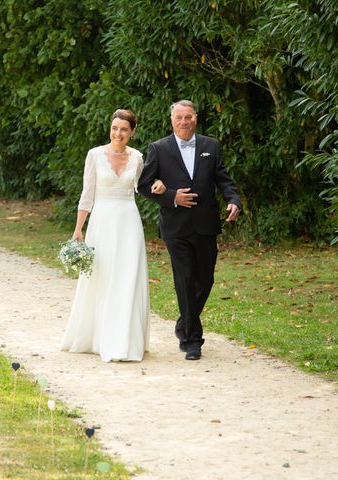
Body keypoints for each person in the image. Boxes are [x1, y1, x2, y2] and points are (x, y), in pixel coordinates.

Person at [137, 100, 242, 360]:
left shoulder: (210, 146)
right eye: (179, 118)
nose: (184, 122)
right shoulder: (158, 149)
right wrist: (172, 196)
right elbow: (144, 185)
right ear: (172, 121)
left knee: (205, 279)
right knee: (185, 279)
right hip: (176, 226)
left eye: (188, 117)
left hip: (206, 224)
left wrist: (233, 200)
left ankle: (184, 322)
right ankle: (192, 339)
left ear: (195, 118)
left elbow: (223, 179)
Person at [60, 109, 165, 362]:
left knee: (127, 277)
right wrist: (78, 229)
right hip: (102, 222)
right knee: (103, 277)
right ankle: (97, 336)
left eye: (124, 130)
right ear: (110, 128)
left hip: (128, 222)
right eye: (115, 128)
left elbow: (146, 186)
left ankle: (126, 340)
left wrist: (160, 185)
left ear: (132, 132)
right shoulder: (95, 155)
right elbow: (87, 195)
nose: (118, 133)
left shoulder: (138, 158)